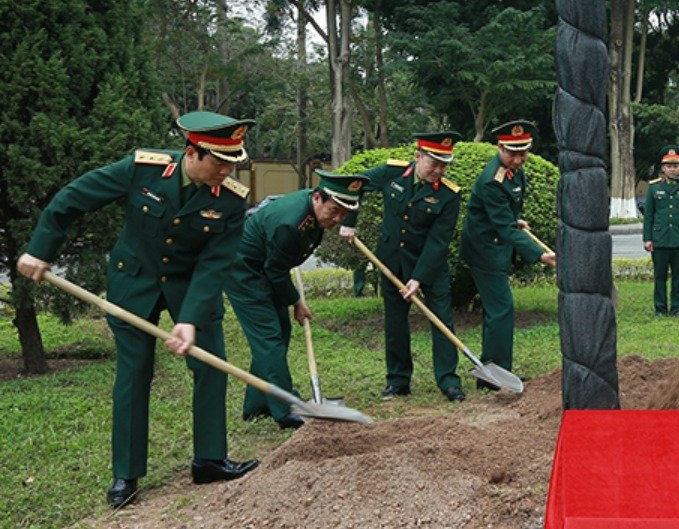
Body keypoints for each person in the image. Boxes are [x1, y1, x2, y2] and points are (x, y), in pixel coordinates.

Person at [16, 111, 260, 509]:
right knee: (134, 374)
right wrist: (40, 250)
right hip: (134, 282)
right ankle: (125, 474)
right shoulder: (143, 169)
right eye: (220, 161)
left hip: (190, 290)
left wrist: (189, 318)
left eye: (234, 162)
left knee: (211, 365)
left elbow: (215, 263)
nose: (227, 170)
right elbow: (73, 198)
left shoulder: (232, 200)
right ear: (192, 153)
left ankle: (210, 460)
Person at [226, 170, 369, 428]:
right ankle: (285, 410)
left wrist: (292, 300)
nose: (337, 219)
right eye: (334, 211)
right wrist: (296, 302)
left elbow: (277, 267)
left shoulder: (310, 213)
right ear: (317, 199)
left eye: (343, 214)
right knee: (269, 339)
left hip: (266, 270)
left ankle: (257, 406)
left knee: (279, 333)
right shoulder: (290, 224)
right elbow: (275, 271)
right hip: (245, 273)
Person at [340, 132, 466, 403]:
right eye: (434, 163)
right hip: (392, 263)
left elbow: (438, 242)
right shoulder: (392, 172)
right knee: (395, 322)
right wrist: (349, 221)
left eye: (444, 165)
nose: (439, 171)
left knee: (441, 319)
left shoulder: (449, 195)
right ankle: (398, 381)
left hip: (430, 267)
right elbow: (354, 185)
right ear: (418, 156)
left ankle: (449, 381)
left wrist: (419, 278)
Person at [461, 121, 556, 389]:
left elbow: (507, 214)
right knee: (501, 310)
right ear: (499, 147)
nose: (518, 159)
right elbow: (502, 227)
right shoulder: (493, 180)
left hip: (497, 242)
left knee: (499, 310)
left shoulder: (516, 172)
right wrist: (540, 255)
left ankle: (498, 370)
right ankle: (492, 377)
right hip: (484, 249)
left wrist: (516, 220)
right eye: (511, 153)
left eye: (523, 152)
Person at [641, 145, 679, 316]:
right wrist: (647, 238)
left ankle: (677, 309)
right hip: (660, 238)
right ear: (663, 168)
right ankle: (660, 309)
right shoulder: (654, 188)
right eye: (669, 166)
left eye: (676, 166)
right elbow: (649, 216)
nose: (672, 169)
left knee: (678, 277)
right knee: (659, 277)